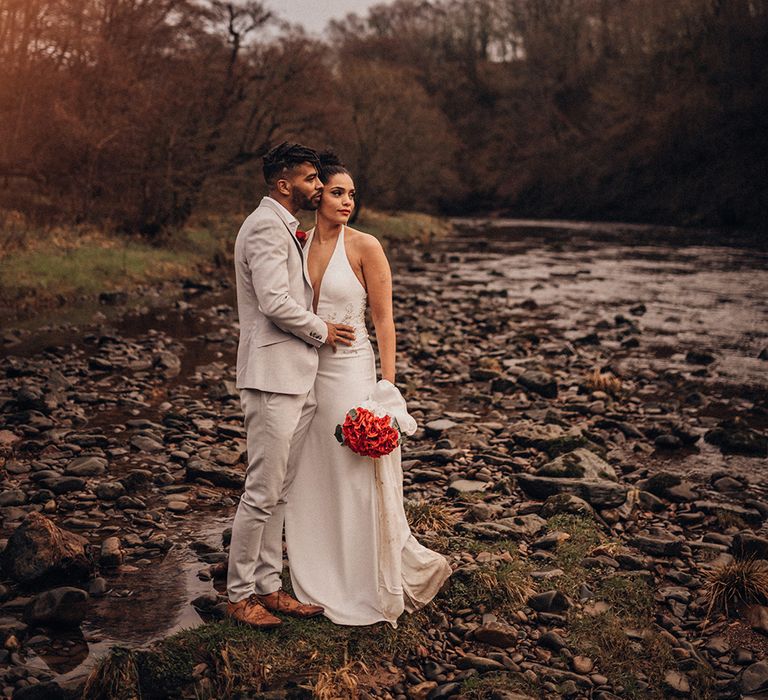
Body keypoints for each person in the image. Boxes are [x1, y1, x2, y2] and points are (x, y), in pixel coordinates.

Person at [285, 153, 451, 627]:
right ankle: (318, 568)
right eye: (337, 192)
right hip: (307, 371)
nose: (347, 201)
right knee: (313, 473)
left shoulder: (366, 246)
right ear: (317, 196)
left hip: (352, 374)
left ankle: (364, 576)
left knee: (356, 473)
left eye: (352, 194)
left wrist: (387, 388)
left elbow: (384, 321)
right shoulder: (297, 243)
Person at [226, 143, 356, 629]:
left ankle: (268, 587)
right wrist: (324, 330)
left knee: (280, 492)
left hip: (298, 377)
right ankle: (238, 595)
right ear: (284, 184)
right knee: (261, 491)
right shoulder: (263, 226)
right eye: (310, 180)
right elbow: (274, 301)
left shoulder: (285, 227)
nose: (319, 187)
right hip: (271, 379)